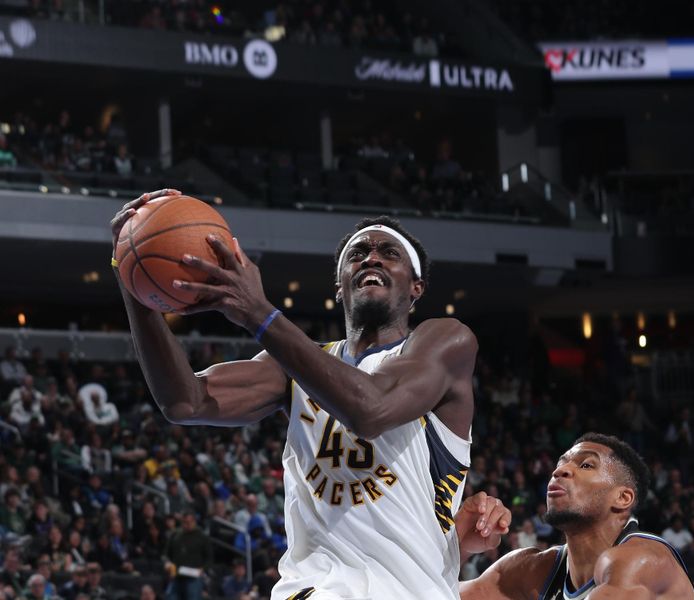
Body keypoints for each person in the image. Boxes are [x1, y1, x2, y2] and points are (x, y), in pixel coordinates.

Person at [111, 190, 488, 600]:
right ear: (340, 288)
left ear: (416, 287)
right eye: (357, 253)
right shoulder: (292, 367)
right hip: (315, 588)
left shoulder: (446, 341)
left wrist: (258, 313)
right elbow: (186, 401)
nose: (372, 258)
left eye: (388, 253)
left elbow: (371, 408)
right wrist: (135, 281)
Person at [460, 433, 694, 599]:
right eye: (561, 464)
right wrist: (459, 545)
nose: (559, 470)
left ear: (622, 498)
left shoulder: (643, 561)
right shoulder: (536, 569)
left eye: (586, 465)